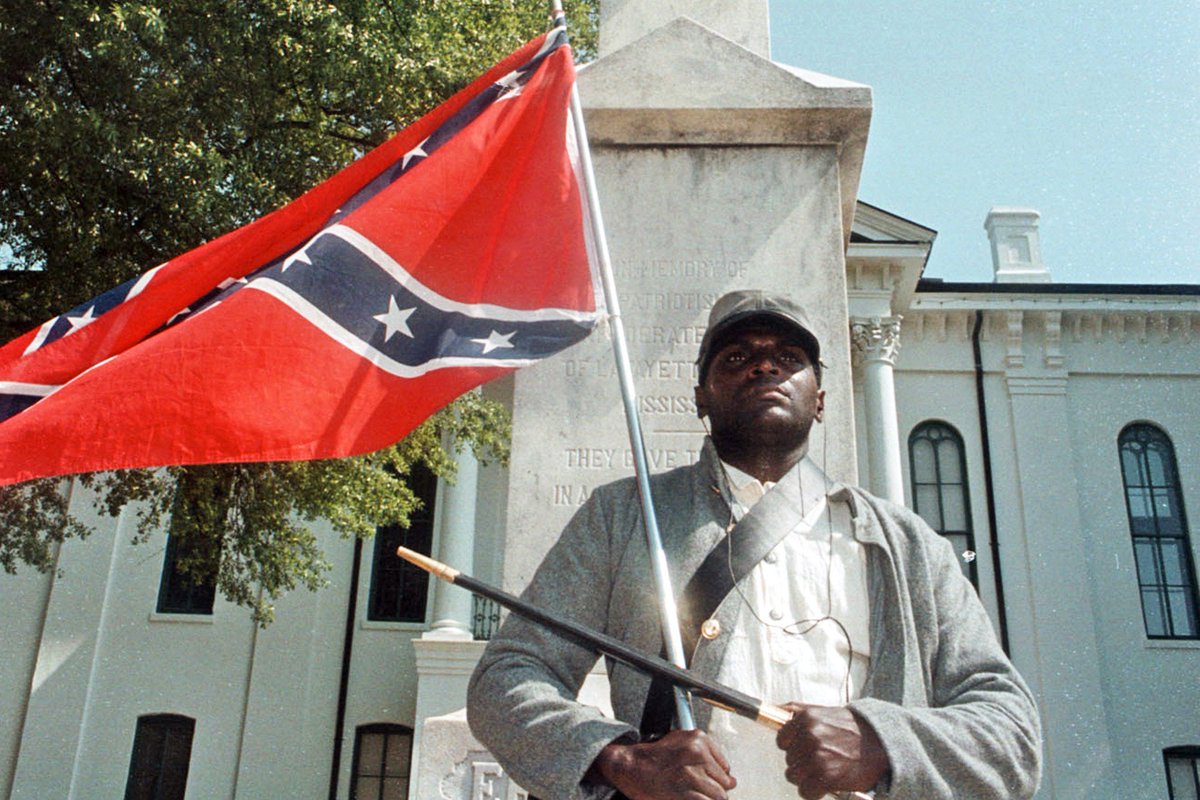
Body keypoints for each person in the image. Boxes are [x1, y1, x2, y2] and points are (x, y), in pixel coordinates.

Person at [468, 289, 1042, 799]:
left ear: (820, 398)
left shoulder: (908, 544)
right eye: (737, 358)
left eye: (789, 359)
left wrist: (879, 743)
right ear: (701, 397)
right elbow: (507, 677)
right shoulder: (622, 516)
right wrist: (618, 760)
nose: (765, 366)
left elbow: (1013, 735)